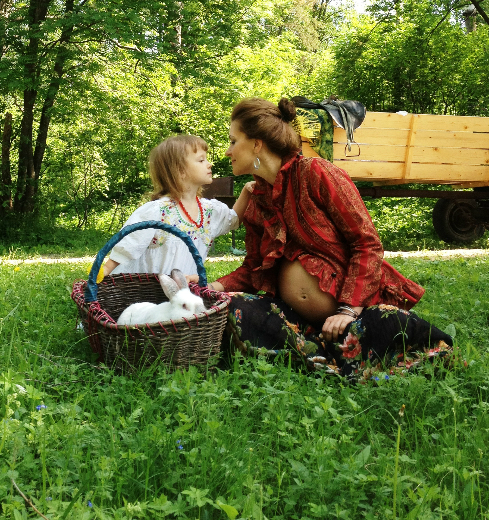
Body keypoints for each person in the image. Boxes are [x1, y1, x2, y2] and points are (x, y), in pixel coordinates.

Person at [207, 98, 454, 380]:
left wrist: (348, 310)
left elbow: (366, 244)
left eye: (233, 141)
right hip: (296, 320)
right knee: (229, 306)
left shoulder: (316, 173)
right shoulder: (257, 203)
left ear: (256, 144)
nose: (227, 151)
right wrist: (211, 287)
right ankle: (320, 352)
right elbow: (253, 270)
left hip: (355, 313)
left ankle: (322, 353)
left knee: (391, 324)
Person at [103, 135, 253, 278]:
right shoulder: (158, 211)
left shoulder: (209, 211)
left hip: (182, 290)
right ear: (180, 171)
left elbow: (234, 220)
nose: (209, 164)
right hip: (146, 290)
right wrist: (102, 272)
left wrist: (246, 191)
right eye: (201, 160)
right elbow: (128, 245)